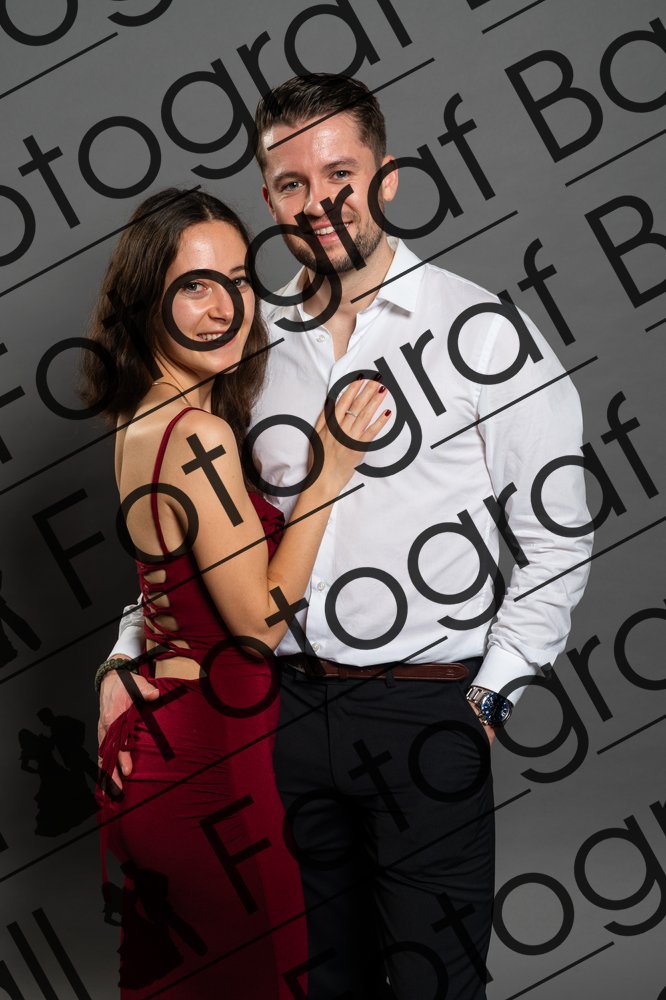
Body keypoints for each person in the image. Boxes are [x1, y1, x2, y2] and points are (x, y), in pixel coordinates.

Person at [99, 76, 592, 999]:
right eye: (292, 183)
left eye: (340, 174)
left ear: (386, 178)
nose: (318, 202)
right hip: (275, 717)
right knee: (309, 985)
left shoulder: (483, 333)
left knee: (434, 985)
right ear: (267, 197)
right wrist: (126, 657)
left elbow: (558, 534)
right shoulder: (249, 343)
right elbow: (207, 535)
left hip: (426, 711)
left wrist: (488, 701)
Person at [82, 187, 390, 999]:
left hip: (166, 754)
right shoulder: (199, 435)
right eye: (195, 285)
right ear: (145, 298)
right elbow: (257, 627)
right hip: (211, 770)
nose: (227, 308)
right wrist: (329, 470)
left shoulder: (141, 419)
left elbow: (168, 594)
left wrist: (116, 666)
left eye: (241, 280)